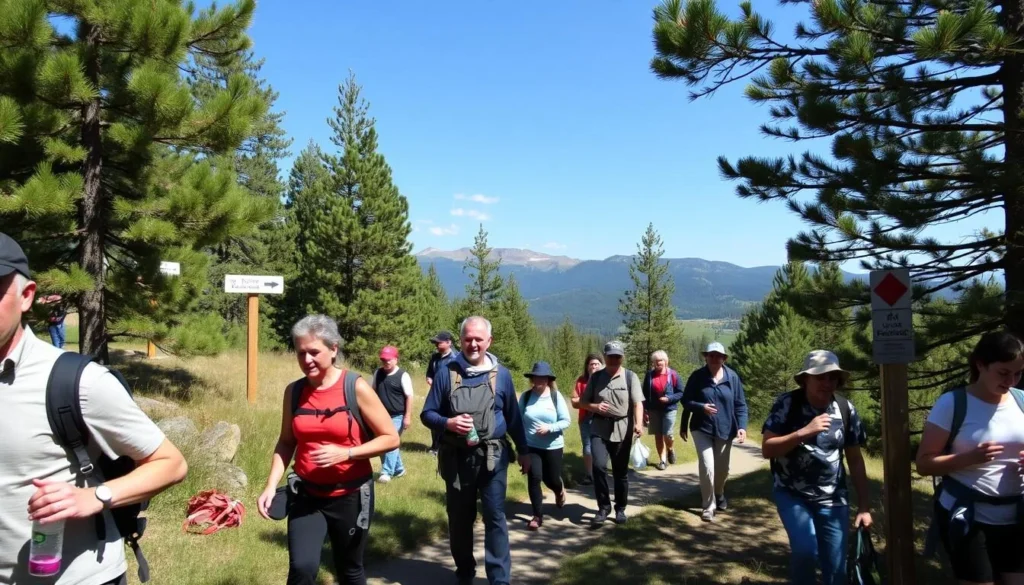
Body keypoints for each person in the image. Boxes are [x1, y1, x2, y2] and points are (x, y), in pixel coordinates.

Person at [0, 231, 188, 585]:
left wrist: (96, 496)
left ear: (27, 297)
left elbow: (171, 464)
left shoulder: (78, 381)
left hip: (77, 578)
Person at [256, 315, 400, 585]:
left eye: (314, 352)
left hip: (351, 496)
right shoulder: (294, 391)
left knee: (349, 570)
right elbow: (286, 441)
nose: (307, 359)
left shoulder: (354, 387)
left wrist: (346, 453)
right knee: (302, 569)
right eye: (301, 353)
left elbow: (390, 438)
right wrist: (270, 485)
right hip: (306, 494)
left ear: (333, 349)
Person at [421, 316, 529, 585]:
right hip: (456, 459)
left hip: (493, 457)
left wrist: (524, 451)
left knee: (495, 516)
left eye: (479, 339)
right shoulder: (447, 373)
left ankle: (499, 579)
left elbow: (513, 417)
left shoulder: (501, 375)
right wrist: (448, 422)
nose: (473, 343)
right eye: (468, 338)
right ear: (460, 341)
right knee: (459, 519)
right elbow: (427, 414)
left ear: (489, 341)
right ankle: (465, 570)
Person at [915, 331, 1024, 585]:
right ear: (980, 365)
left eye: (1018, 373)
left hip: (1016, 517)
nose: (1011, 381)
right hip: (968, 517)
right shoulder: (952, 404)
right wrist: (970, 458)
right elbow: (923, 463)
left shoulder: (1021, 402)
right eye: (1003, 372)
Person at [761, 349, 872, 585]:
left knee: (836, 568)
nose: (827, 382)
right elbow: (768, 449)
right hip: (792, 493)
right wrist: (803, 432)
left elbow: (855, 459)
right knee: (805, 552)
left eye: (832, 377)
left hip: (833, 498)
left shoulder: (845, 409)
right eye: (820, 377)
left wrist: (864, 506)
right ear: (805, 380)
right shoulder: (787, 404)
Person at [680, 341, 749, 521]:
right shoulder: (697, 376)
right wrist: (701, 407)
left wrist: (742, 426)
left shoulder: (732, 377)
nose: (714, 359)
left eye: (718, 356)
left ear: (724, 359)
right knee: (707, 467)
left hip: (726, 430)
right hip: (701, 428)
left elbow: (740, 404)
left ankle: (719, 493)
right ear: (706, 357)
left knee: (722, 469)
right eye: (711, 355)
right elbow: (686, 400)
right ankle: (708, 506)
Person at [579, 340, 644, 525]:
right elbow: (583, 403)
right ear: (605, 356)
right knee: (599, 466)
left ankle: (620, 508)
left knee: (620, 472)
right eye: (611, 356)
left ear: (622, 357)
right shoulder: (596, 377)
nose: (614, 359)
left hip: (622, 429)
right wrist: (596, 406)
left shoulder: (631, 377)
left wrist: (638, 423)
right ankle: (603, 508)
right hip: (599, 427)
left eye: (618, 356)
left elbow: (638, 403)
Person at [518, 361, 570, 530]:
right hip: (531, 446)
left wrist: (550, 428)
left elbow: (566, 421)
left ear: (548, 379)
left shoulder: (556, 396)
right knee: (535, 478)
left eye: (542, 377)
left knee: (552, 479)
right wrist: (520, 448)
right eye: (536, 377)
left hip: (553, 446)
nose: (539, 380)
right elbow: (517, 421)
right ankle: (537, 515)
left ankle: (559, 490)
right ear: (532, 378)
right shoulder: (526, 397)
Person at [373, 345, 414, 483]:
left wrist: (407, 417)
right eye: (383, 359)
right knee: (381, 443)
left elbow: (409, 396)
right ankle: (399, 469)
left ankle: (386, 472)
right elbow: (372, 392)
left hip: (398, 416)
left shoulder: (403, 375)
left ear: (396, 359)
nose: (386, 362)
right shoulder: (378, 373)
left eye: (389, 359)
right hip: (380, 415)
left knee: (390, 442)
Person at [641, 350, 684, 470]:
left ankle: (670, 449)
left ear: (666, 362)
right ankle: (662, 460)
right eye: (656, 362)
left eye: (661, 361)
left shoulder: (673, 375)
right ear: (653, 363)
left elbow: (680, 392)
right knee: (658, 435)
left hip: (669, 409)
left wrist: (669, 398)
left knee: (668, 434)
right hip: (653, 410)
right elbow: (644, 394)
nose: (658, 364)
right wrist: (644, 411)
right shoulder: (649, 375)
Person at [571, 353, 604, 485]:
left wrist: (584, 401)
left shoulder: (607, 379)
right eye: (591, 364)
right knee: (587, 446)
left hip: (603, 418)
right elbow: (574, 401)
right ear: (587, 366)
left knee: (603, 446)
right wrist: (588, 403)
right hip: (585, 418)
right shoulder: (581, 381)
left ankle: (601, 471)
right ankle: (589, 474)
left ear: (602, 365)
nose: (594, 366)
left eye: (597, 364)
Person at [425, 331, 458, 457]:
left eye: (439, 343)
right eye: (435, 343)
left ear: (449, 342)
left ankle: (443, 446)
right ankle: (435, 446)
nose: (436, 345)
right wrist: (429, 378)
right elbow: (429, 372)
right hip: (435, 394)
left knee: (445, 420)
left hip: (449, 396)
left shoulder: (455, 358)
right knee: (433, 419)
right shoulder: (435, 357)